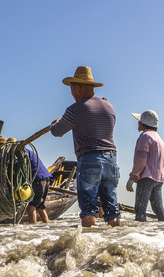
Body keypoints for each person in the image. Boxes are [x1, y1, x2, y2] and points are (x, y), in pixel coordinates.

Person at [50, 66, 121, 228]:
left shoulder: (75, 109)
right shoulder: (109, 107)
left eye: (71, 89)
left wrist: (53, 125)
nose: (72, 93)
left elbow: (57, 132)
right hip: (111, 159)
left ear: (78, 87)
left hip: (90, 159)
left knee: (89, 210)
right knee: (112, 209)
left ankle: (86, 249)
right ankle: (117, 247)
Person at [126, 110, 164, 222]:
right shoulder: (160, 140)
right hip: (158, 179)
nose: (138, 123)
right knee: (158, 209)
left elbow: (141, 159)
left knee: (140, 208)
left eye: (139, 121)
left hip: (146, 178)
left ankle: (140, 236)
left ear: (144, 123)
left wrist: (132, 177)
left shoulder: (145, 136)